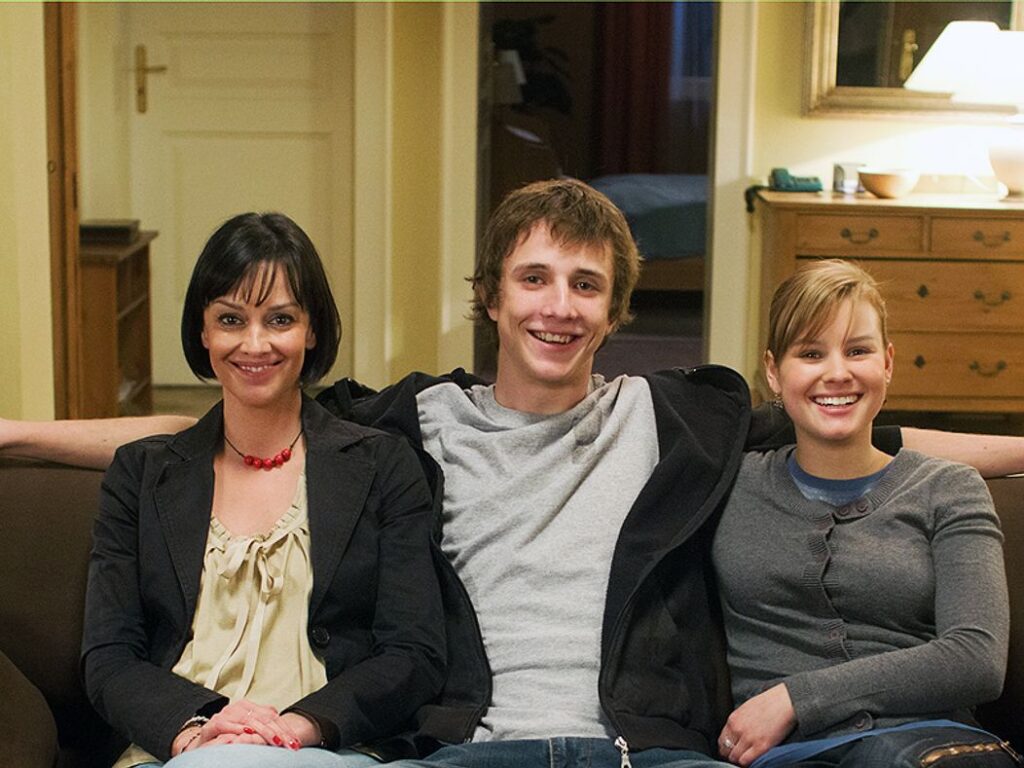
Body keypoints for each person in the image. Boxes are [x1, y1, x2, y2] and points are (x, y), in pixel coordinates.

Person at [4, 180, 1024, 768]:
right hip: (467, 750)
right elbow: (224, 420)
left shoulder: (680, 417)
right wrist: (19, 434)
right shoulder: (410, 425)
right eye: (533, 278)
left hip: (649, 751)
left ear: (615, 309)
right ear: (490, 297)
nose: (558, 306)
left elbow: (853, 421)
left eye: (586, 284)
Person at [81, 212, 446, 768]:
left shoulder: (382, 467)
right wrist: (196, 731)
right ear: (203, 332)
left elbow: (414, 653)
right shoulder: (140, 475)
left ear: (312, 329)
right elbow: (108, 656)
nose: (255, 344)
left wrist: (292, 730)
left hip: (328, 750)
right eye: (231, 319)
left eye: (280, 319)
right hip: (179, 752)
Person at [712, 259, 1018, 768]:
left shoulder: (949, 488)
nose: (838, 373)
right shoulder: (730, 483)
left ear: (888, 363)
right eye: (811, 353)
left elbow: (977, 658)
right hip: (791, 755)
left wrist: (796, 698)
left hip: (929, 745)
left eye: (858, 351)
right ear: (773, 371)